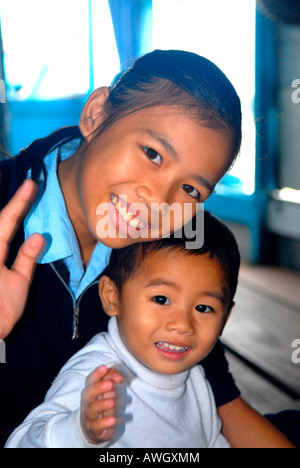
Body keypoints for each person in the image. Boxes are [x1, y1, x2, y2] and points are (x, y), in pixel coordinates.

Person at [0, 49, 295, 448]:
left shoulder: (164, 248)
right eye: (152, 154)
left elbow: (222, 403)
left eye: (191, 189)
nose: (158, 200)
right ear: (97, 114)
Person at [5, 211, 294, 448]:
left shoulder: (194, 377)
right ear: (112, 297)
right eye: (161, 299)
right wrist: (80, 430)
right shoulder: (99, 372)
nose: (182, 325)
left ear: (226, 317)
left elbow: (210, 439)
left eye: (204, 308)